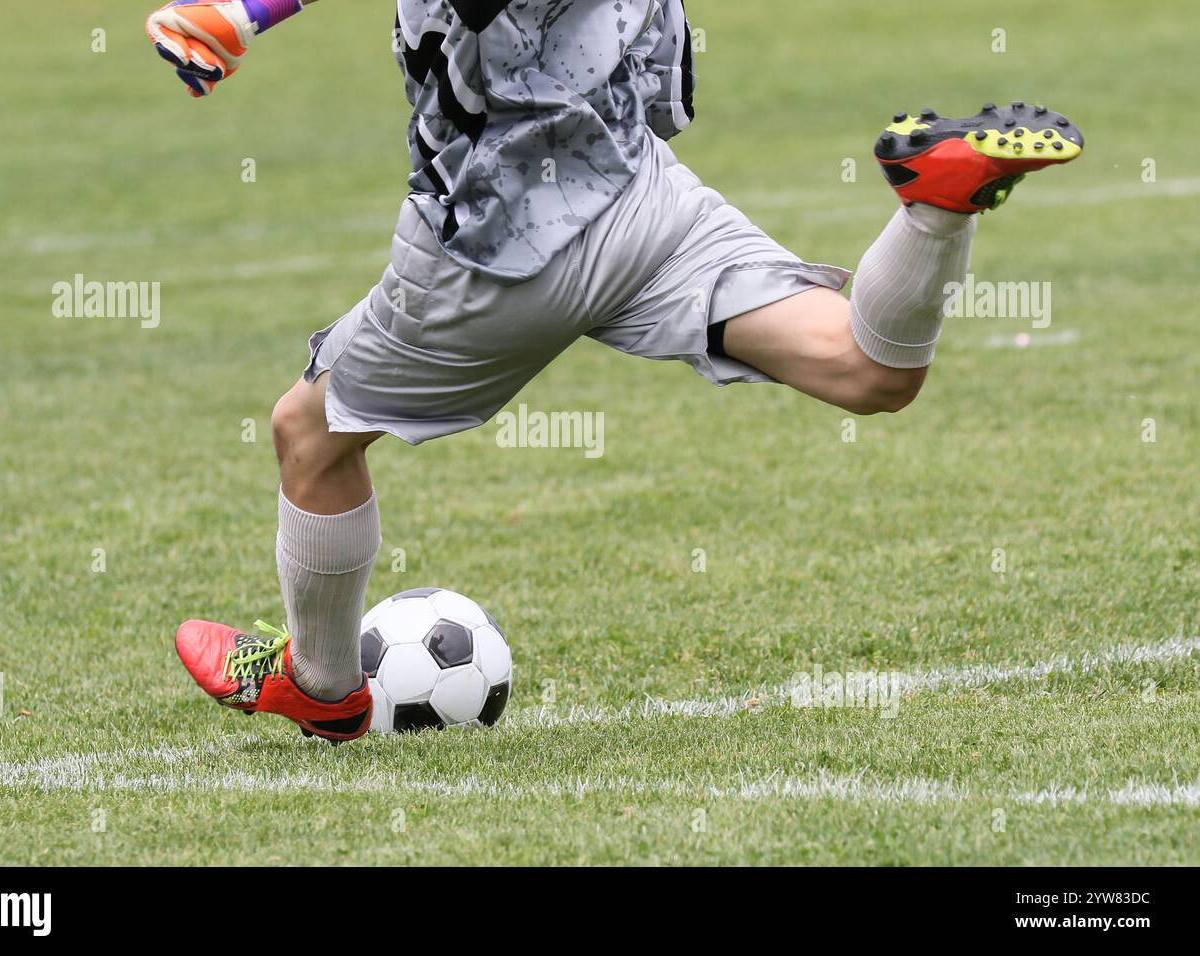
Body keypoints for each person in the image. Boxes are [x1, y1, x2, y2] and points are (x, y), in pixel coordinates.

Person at [147, 0, 1083, 741]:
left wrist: (242, 10)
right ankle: (935, 209)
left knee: (307, 437)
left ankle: (321, 688)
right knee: (867, 369)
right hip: (638, 191)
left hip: (503, 244)